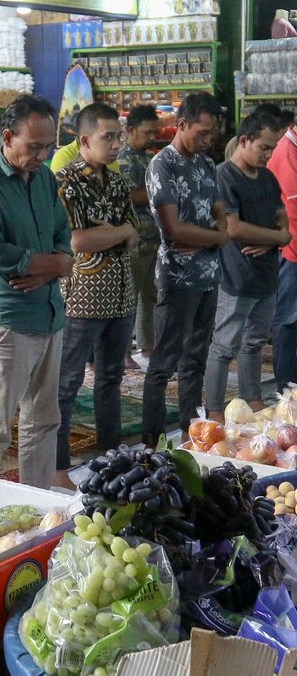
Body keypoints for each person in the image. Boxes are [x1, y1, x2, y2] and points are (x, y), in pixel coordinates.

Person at [0, 95, 73, 489]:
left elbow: (63, 237)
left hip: (48, 313)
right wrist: (55, 264)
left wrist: (49, 270)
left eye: (48, 146)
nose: (42, 155)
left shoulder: (44, 178)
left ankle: (35, 504)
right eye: (34, 146)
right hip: (7, 322)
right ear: (7, 137)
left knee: (44, 420)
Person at [55, 102, 137, 488]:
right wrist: (118, 232)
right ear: (84, 140)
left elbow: (135, 236)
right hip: (82, 298)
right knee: (67, 383)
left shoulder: (117, 182)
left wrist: (118, 233)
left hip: (121, 296)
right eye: (109, 137)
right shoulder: (66, 182)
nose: (117, 143)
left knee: (110, 379)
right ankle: (58, 465)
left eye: (119, 136)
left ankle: (110, 455)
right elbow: (76, 240)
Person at [142, 93, 229, 447]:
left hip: (208, 276)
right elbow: (173, 230)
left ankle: (192, 434)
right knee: (164, 361)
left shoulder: (207, 165)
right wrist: (215, 236)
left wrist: (211, 237)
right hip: (178, 278)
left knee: (196, 359)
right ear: (181, 125)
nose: (208, 141)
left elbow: (221, 218)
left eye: (213, 135)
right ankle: (151, 442)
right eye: (203, 132)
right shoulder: (163, 165)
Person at [204, 107, 290, 422]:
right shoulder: (224, 175)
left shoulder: (266, 177)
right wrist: (277, 236)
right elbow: (233, 227)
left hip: (266, 275)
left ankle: (252, 398)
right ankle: (213, 409)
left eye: (272, 148)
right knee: (225, 345)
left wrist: (273, 239)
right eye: (263, 147)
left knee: (253, 342)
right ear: (244, 141)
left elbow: (284, 227)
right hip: (236, 277)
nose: (269, 154)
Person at [118, 104, 160, 371]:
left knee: (150, 296)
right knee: (128, 300)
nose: (152, 137)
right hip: (135, 241)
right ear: (130, 130)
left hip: (154, 239)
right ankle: (123, 353)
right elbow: (132, 195)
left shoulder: (148, 158)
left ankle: (147, 345)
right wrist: (161, 193)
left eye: (154, 132)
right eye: (147, 132)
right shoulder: (124, 159)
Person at [267, 115, 297, 391]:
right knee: (288, 321)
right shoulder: (286, 153)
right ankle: (286, 390)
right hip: (292, 253)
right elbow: (293, 214)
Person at [50, 136, 120, 174]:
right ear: (85, 141)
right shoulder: (63, 157)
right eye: (107, 137)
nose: (117, 145)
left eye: (118, 136)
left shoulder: (108, 157)